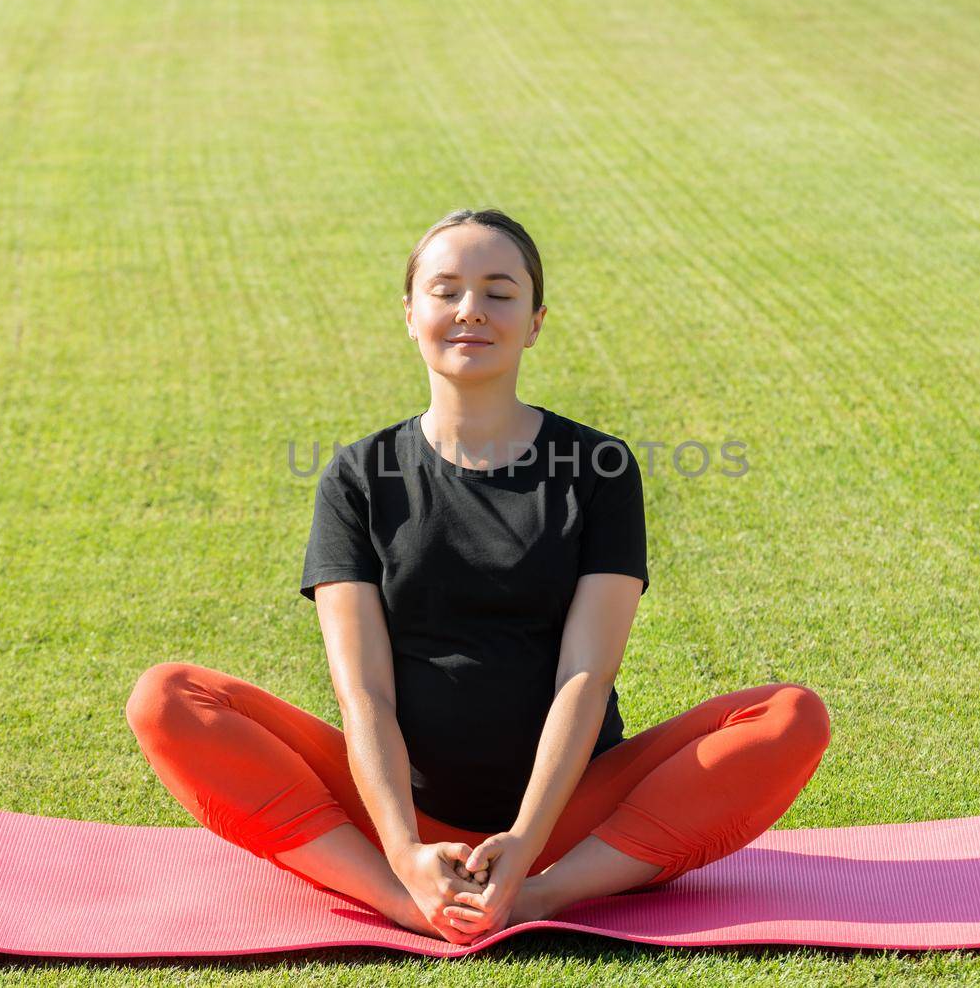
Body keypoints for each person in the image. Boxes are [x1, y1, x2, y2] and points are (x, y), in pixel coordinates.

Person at [125, 208, 831, 944]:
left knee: (790, 717)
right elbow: (361, 689)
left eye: (499, 292)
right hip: (388, 813)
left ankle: (535, 900)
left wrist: (528, 846)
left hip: (569, 820)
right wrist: (401, 852)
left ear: (534, 321)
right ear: (410, 314)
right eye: (446, 289)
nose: (471, 311)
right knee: (168, 698)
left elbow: (585, 677)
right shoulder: (359, 477)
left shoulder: (599, 469)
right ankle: (402, 901)